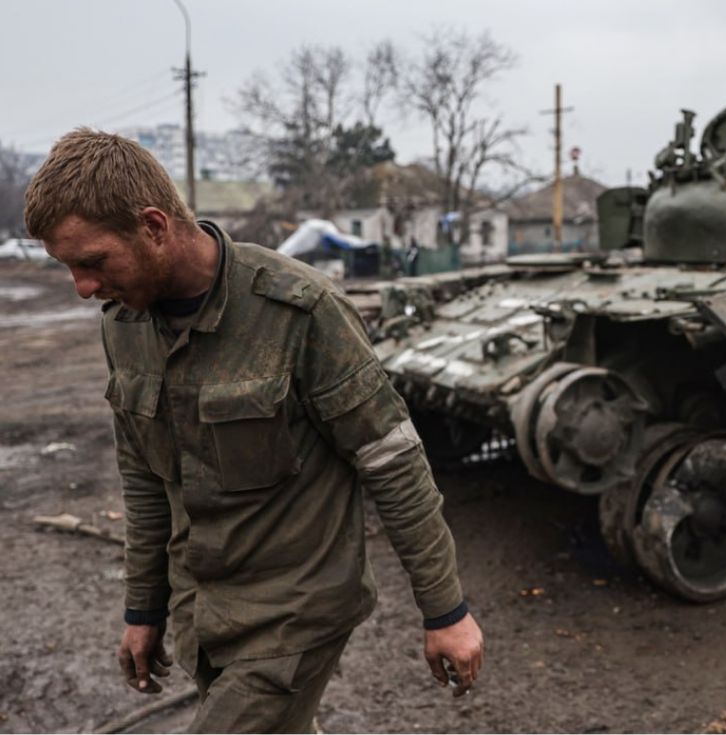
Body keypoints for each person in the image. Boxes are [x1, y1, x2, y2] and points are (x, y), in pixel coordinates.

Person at [24, 129, 483, 732]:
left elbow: (393, 463)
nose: (83, 288)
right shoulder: (126, 325)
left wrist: (445, 610)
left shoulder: (300, 312)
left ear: (155, 227)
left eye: (92, 263)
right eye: (69, 269)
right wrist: (145, 608)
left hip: (296, 613)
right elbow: (144, 478)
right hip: (203, 614)